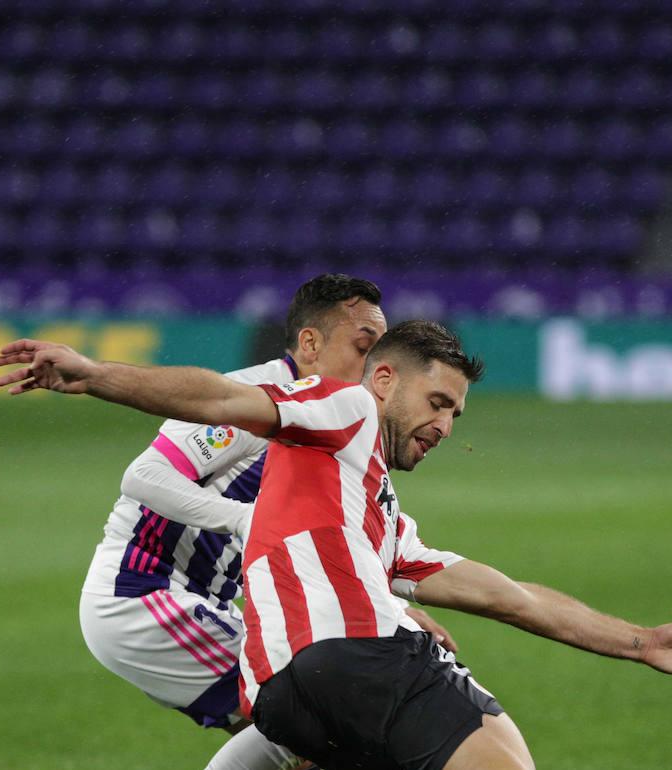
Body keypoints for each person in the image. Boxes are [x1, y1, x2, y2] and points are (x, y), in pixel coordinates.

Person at [0, 320, 672, 770]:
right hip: (354, 656)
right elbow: (220, 398)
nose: (446, 426)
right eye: (438, 402)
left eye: (457, 414)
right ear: (385, 379)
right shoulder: (348, 406)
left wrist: (638, 640)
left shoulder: (375, 513)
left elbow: (503, 595)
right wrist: (95, 376)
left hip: (282, 697)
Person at [76, 273, 453, 770]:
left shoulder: (338, 422)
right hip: (145, 594)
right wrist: (244, 518)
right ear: (310, 343)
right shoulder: (263, 394)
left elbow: (335, 555)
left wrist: (392, 613)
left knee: (318, 729)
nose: (375, 364)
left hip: (202, 601)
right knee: (326, 714)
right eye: (363, 346)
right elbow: (144, 475)